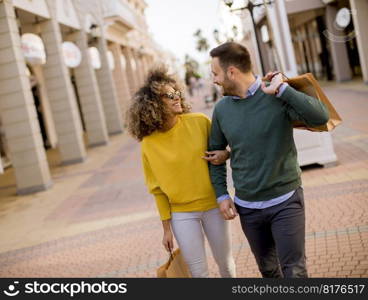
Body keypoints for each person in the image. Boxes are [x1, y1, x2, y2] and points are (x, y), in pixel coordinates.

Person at [205, 42, 329, 278]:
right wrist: (222, 195)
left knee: (295, 271)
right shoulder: (221, 110)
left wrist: (283, 90)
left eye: (215, 73)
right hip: (248, 208)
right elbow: (214, 156)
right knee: (269, 271)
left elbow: (320, 117)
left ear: (232, 72)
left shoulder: (274, 94)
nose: (214, 80)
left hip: (285, 200)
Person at [126, 67, 236, 278]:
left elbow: (223, 151)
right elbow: (157, 190)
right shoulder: (148, 144)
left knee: (226, 264)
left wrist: (226, 154)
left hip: (214, 206)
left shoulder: (200, 122)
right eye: (169, 95)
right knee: (198, 273)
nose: (176, 97)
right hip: (182, 215)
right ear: (153, 104)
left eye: (176, 93)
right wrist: (166, 229)